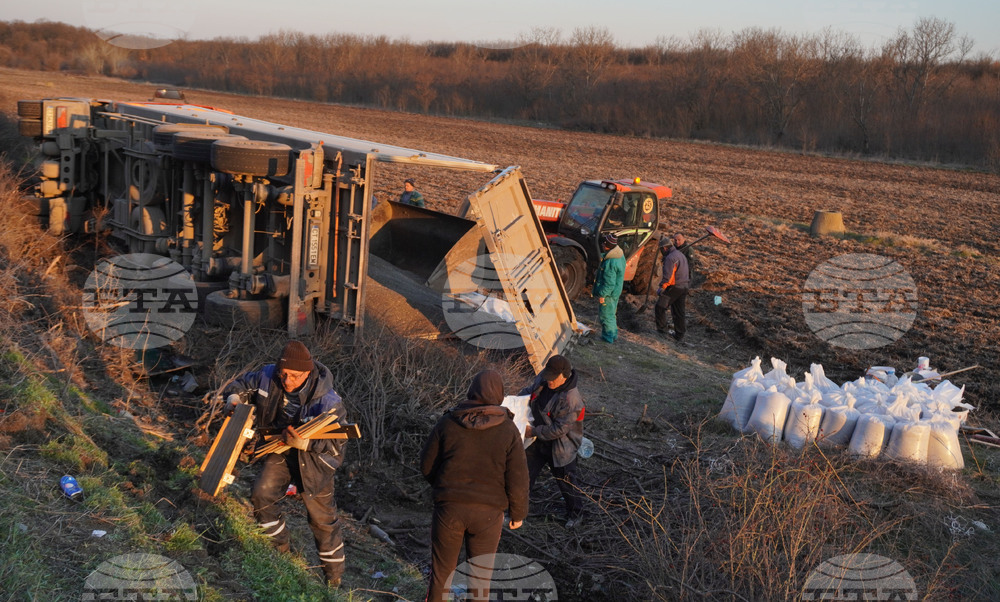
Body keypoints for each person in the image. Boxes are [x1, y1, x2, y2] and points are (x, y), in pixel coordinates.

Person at [223, 341, 349, 588]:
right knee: (261, 494)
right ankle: (279, 549)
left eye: (294, 376)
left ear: (308, 372)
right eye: (284, 374)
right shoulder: (268, 376)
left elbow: (336, 447)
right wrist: (233, 398)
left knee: (322, 520)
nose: (287, 380)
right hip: (279, 448)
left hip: (313, 461)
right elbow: (241, 385)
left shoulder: (328, 402)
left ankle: (334, 580)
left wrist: (305, 444)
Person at [420, 370, 529, 602]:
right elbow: (518, 476)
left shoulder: (448, 422)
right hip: (488, 515)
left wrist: (445, 489)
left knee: (441, 576)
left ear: (472, 391)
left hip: (450, 509)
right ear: (499, 395)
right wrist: (518, 513)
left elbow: (426, 466)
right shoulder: (509, 430)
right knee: (480, 581)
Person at [521, 355, 586, 528]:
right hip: (538, 440)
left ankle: (576, 514)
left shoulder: (572, 399)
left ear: (564, 375)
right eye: (547, 375)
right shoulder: (545, 377)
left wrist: (533, 431)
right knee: (524, 475)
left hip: (561, 446)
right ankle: (518, 513)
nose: (549, 380)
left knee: (566, 482)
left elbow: (559, 429)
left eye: (553, 378)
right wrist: (515, 401)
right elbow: (530, 391)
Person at [655, 233, 690, 342]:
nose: (661, 251)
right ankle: (680, 335)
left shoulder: (670, 258)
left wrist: (662, 288)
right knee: (679, 311)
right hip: (684, 286)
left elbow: (668, 277)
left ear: (665, 248)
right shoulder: (680, 255)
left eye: (661, 249)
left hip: (675, 287)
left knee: (660, 307)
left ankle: (662, 331)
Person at [593, 232, 626, 344]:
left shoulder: (610, 262)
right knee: (612, 314)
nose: (602, 245)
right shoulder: (619, 255)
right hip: (616, 291)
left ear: (608, 246)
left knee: (606, 316)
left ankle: (607, 338)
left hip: (609, 294)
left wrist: (602, 295)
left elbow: (609, 283)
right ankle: (613, 335)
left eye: (604, 243)